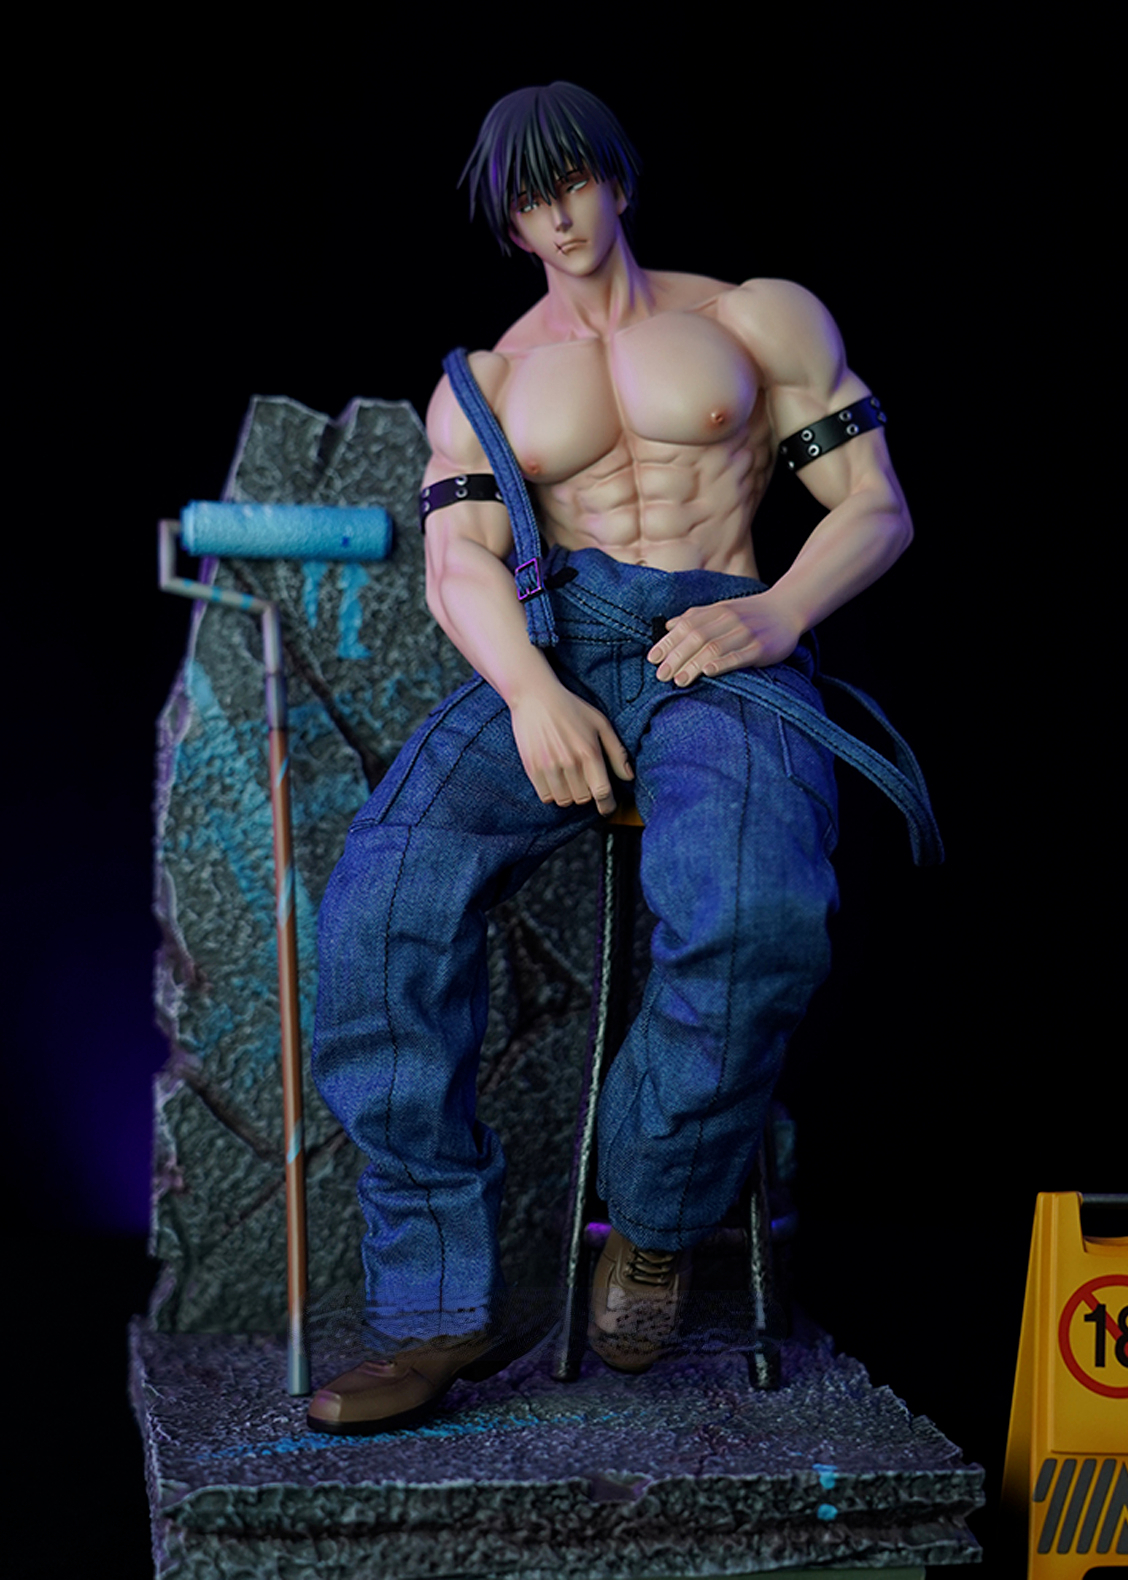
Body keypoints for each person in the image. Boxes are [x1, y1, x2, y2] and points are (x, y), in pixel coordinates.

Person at [306, 82, 927, 1435]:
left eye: (575, 182)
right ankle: (433, 1306)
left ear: (620, 181)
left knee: (760, 913)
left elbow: (874, 506)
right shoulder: (488, 380)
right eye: (530, 200)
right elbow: (459, 562)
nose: (560, 218)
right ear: (508, 222)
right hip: (563, 642)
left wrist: (780, 612)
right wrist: (529, 690)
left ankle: (651, 1219)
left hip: (726, 636)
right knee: (375, 908)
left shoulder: (756, 320)